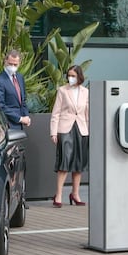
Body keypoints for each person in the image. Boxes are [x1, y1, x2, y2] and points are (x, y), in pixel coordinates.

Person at [50, 65, 89, 208]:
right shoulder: (62, 90)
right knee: (64, 162)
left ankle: (75, 194)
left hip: (81, 129)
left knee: (78, 164)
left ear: (79, 76)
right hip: (65, 128)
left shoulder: (85, 92)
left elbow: (87, 113)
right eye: (69, 75)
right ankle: (58, 195)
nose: (70, 78)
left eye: (73, 75)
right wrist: (53, 132)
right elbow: (56, 113)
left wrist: (90, 130)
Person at [0, 49, 31, 129]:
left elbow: (23, 100)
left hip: (20, 124)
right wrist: (20, 119)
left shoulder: (20, 77)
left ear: (19, 63)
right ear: (5, 61)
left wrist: (26, 116)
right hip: (8, 124)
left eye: (15, 64)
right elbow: (0, 105)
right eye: (10, 64)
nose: (12, 67)